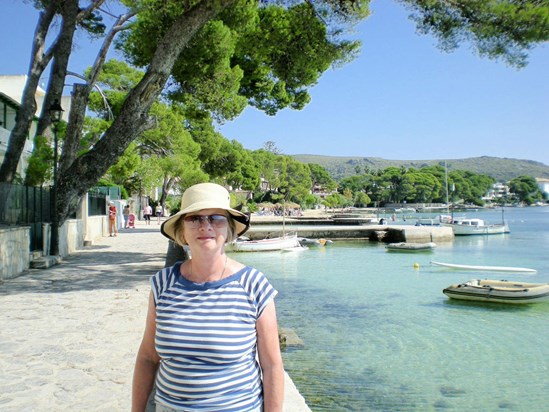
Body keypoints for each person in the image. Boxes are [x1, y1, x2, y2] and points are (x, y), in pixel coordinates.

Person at [132, 183, 284, 412]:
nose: (205, 225)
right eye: (194, 218)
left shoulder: (254, 286)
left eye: (216, 218)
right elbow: (147, 357)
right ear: (182, 231)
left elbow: (272, 366)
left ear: (229, 228)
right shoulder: (162, 285)